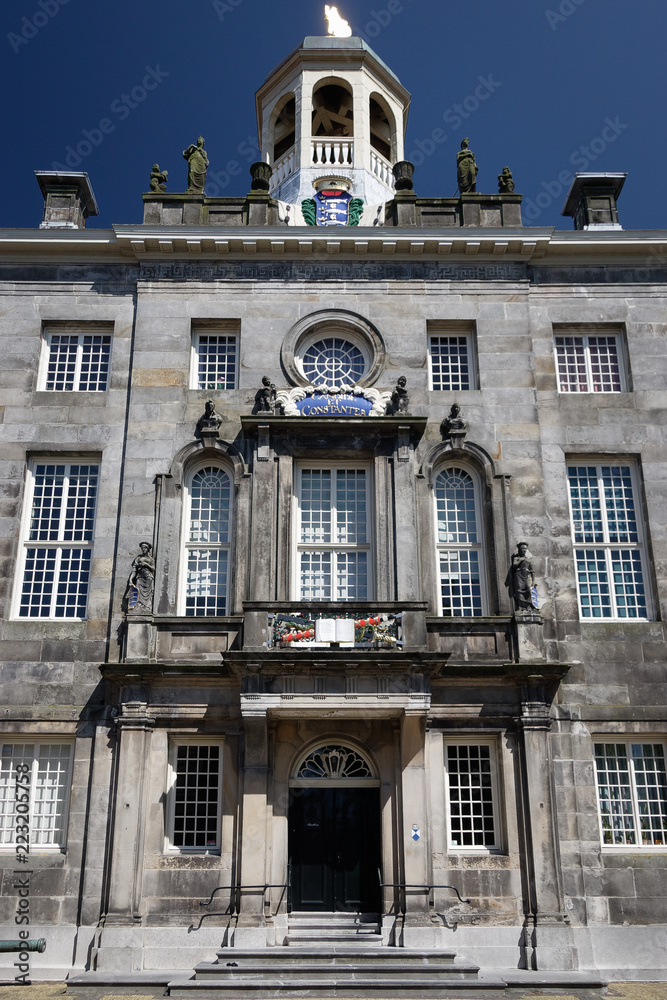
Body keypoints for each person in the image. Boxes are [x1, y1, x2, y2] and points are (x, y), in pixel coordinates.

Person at [125, 542, 155, 613]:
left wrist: (146, 564)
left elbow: (153, 568)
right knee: (138, 591)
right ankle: (138, 606)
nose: (143, 549)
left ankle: (147, 607)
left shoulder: (151, 560)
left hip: (148, 577)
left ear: (148, 549)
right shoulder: (138, 558)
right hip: (140, 577)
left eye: (144, 548)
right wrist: (130, 580)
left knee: (148, 594)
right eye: (142, 548)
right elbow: (134, 571)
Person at [506, 542, 536, 611]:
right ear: (519, 549)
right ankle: (520, 606)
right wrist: (521, 560)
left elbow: (532, 571)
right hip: (518, 576)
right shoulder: (516, 558)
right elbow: (514, 566)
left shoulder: (528, 560)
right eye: (523, 548)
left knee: (528, 589)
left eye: (525, 549)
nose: (524, 550)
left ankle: (528, 606)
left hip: (526, 576)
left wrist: (533, 582)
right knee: (519, 590)